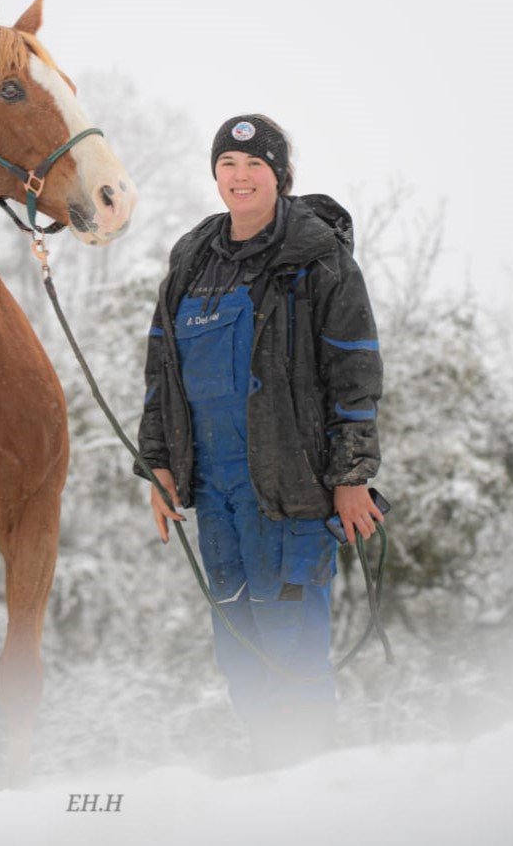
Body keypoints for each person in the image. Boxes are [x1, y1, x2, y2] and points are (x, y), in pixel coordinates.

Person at [136, 114, 384, 768]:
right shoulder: (193, 257)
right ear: (215, 173)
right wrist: (159, 466)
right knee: (237, 639)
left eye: (254, 165)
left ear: (280, 174)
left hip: (290, 484)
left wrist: (351, 475)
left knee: (289, 630)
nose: (239, 177)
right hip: (213, 488)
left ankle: (307, 775)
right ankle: (267, 772)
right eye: (227, 164)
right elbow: (161, 369)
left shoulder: (315, 254)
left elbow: (354, 367)